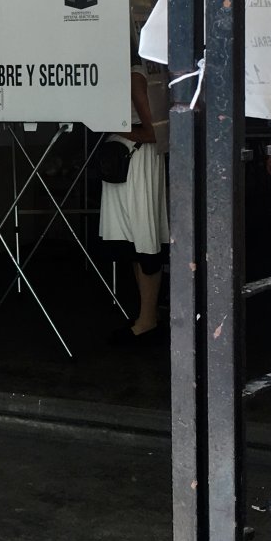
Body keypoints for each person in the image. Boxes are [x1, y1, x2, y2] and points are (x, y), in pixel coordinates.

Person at [100, 62, 169, 343]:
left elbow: (152, 131)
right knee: (137, 240)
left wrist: (111, 125)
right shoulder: (149, 71)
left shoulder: (135, 74)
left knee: (143, 240)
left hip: (135, 160)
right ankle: (146, 314)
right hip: (135, 159)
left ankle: (147, 318)